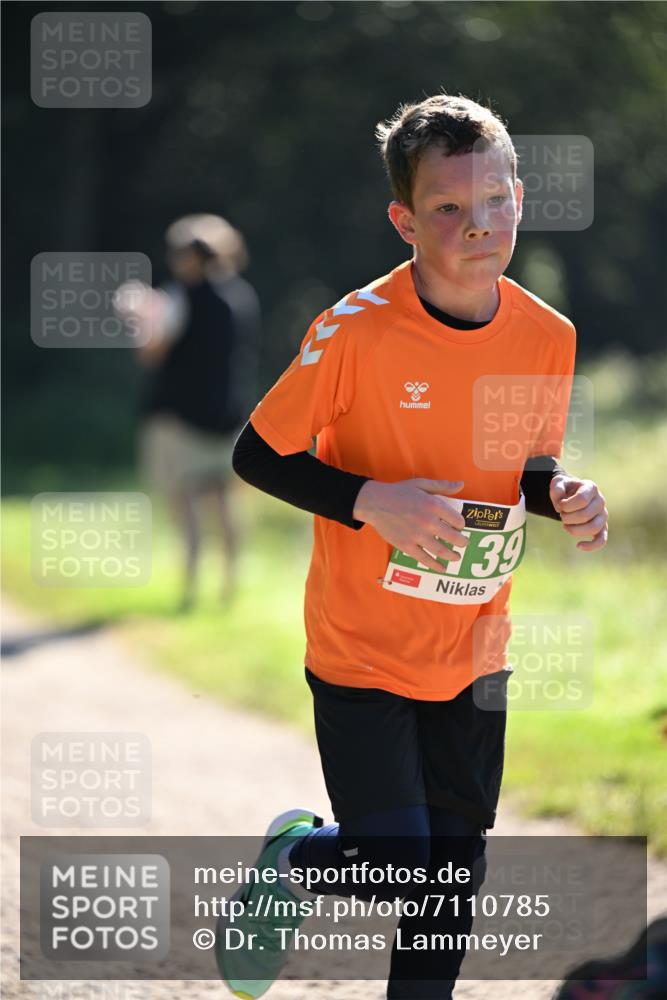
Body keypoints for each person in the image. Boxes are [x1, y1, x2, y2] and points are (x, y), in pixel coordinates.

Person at [217, 94, 609, 999]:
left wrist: (564, 497)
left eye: (495, 201)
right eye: (447, 209)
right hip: (363, 647)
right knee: (396, 864)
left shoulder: (547, 335)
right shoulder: (354, 331)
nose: (479, 226)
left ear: (518, 195)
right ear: (404, 218)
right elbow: (255, 452)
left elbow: (518, 470)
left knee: (447, 890)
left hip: (473, 645)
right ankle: (297, 857)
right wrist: (367, 500)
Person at [116, 214, 261, 609]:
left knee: (187, 502)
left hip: (180, 418)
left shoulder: (178, 296)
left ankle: (192, 585)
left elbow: (151, 353)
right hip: (230, 415)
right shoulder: (240, 295)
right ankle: (230, 585)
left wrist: (136, 317)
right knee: (225, 502)